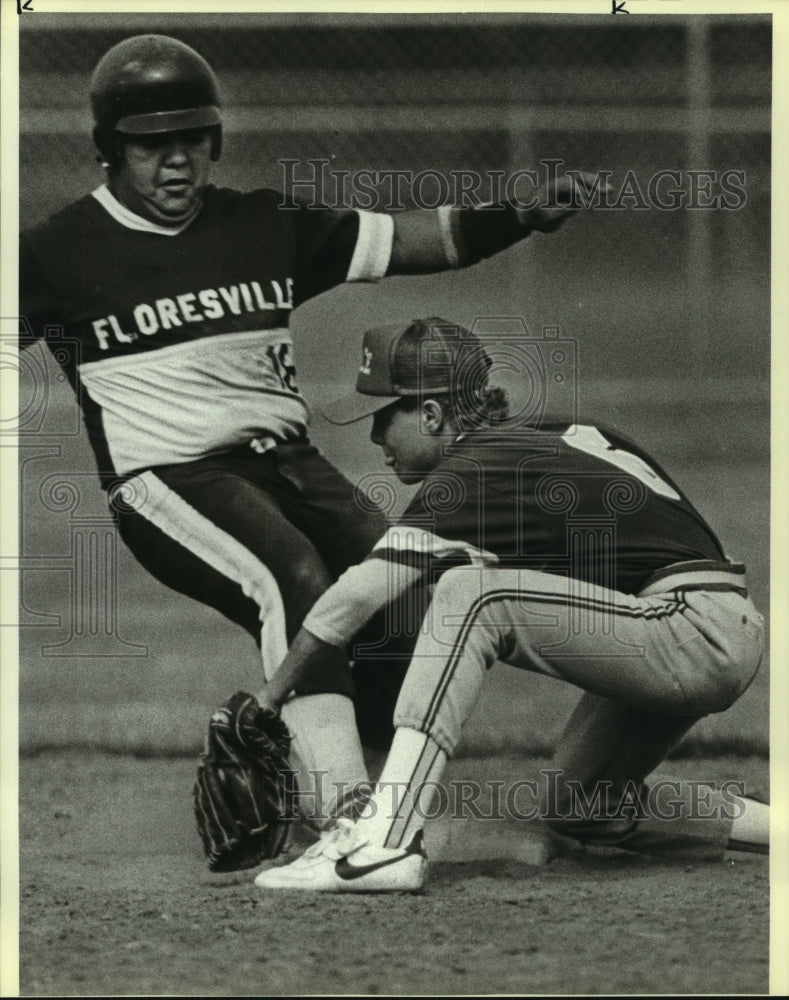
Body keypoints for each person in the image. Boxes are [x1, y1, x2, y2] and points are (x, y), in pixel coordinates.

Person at [19, 34, 598, 825]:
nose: (177, 161)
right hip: (169, 480)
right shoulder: (54, 254)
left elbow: (410, 240)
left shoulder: (263, 224)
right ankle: (340, 803)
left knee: (398, 586)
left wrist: (516, 215)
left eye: (192, 140)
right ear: (109, 150)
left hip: (289, 465)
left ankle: (368, 781)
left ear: (214, 141)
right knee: (290, 576)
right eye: (151, 145)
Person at [255, 316, 768, 892]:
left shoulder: (475, 470)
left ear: (431, 414)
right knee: (580, 803)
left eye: (383, 415)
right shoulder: (555, 439)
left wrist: (266, 702)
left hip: (691, 628)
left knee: (475, 599)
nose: (376, 437)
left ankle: (385, 841)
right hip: (705, 624)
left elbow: (352, 600)